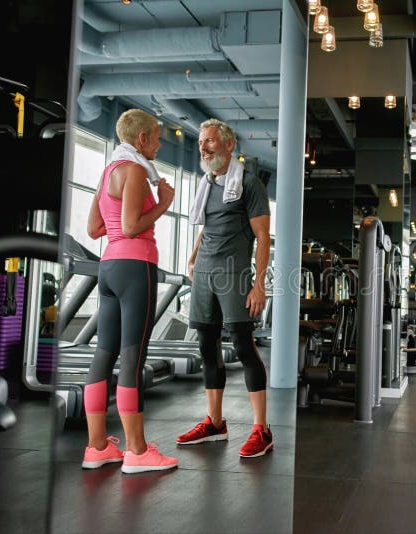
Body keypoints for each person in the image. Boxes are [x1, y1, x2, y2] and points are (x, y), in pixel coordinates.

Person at [82, 108, 178, 474]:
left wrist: (121, 233)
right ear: (141, 139)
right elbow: (132, 225)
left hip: (108, 268)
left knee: (103, 354)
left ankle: (97, 447)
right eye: (156, 138)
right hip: (136, 267)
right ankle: (137, 452)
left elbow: (95, 228)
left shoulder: (109, 170)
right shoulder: (135, 170)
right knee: (133, 359)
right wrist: (165, 204)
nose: (158, 144)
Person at [176, 118, 273, 458]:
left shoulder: (249, 184)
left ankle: (261, 429)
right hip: (204, 273)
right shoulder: (207, 182)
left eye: (210, 141)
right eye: (202, 142)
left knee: (244, 347)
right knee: (206, 346)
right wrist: (192, 257)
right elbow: (208, 225)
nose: (203, 147)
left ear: (229, 144)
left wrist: (259, 284)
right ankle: (215, 422)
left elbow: (263, 237)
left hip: (234, 275)